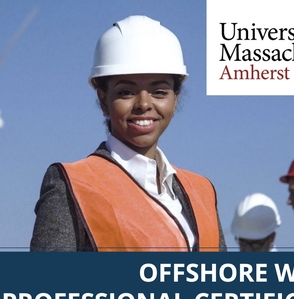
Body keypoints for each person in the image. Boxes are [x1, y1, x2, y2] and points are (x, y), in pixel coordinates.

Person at [30, 15, 226, 252]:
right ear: (104, 100)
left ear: (176, 99)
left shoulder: (201, 191)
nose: (143, 104)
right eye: (126, 92)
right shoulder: (72, 184)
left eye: (159, 91)